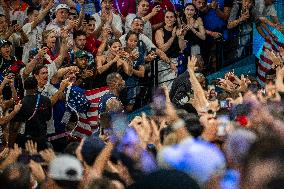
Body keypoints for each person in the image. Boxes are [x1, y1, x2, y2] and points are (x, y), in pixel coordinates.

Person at [12, 77, 52, 150]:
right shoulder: (47, 100)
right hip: (42, 139)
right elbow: (48, 117)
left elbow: (16, 126)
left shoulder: (21, 103)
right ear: (36, 87)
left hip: (26, 140)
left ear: (24, 87)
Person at [155, 10, 187, 88]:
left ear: (175, 19)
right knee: (166, 88)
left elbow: (182, 48)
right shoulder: (159, 31)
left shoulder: (178, 31)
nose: (169, 19)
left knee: (176, 87)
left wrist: (181, 36)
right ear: (164, 19)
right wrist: (173, 37)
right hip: (163, 62)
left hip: (176, 61)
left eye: (171, 17)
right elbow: (162, 49)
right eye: (167, 17)